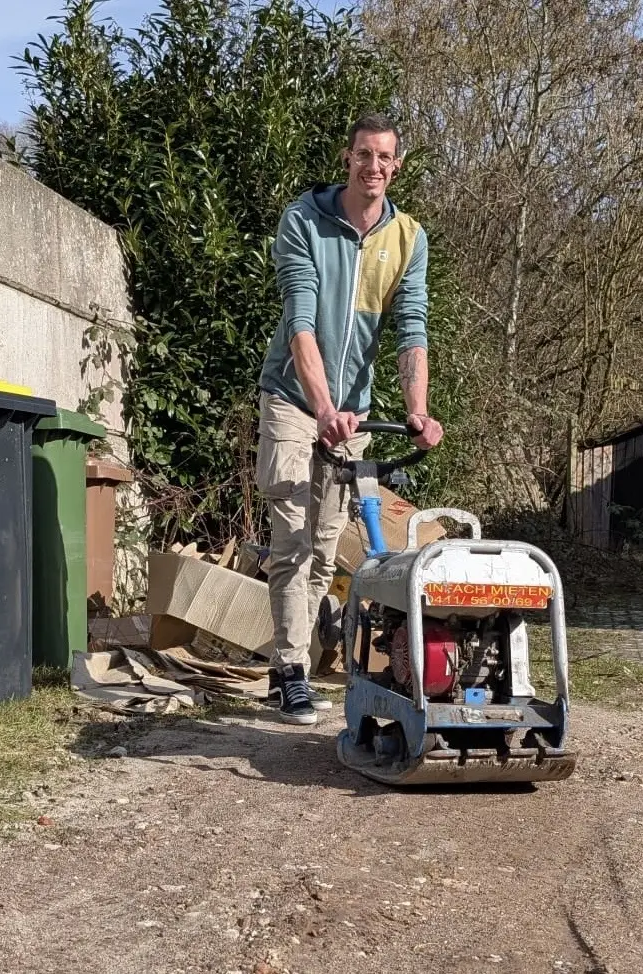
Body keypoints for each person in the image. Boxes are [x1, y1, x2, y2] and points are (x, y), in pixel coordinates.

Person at [255, 113, 445, 725]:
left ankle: (291, 666)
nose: (374, 167)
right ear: (348, 158)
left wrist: (417, 409)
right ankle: (290, 671)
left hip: (353, 410)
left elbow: (410, 330)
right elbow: (301, 323)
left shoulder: (408, 239)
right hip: (292, 396)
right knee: (289, 537)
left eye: (385, 158)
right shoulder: (304, 221)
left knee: (323, 546)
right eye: (364, 154)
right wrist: (321, 407)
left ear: (397, 165)